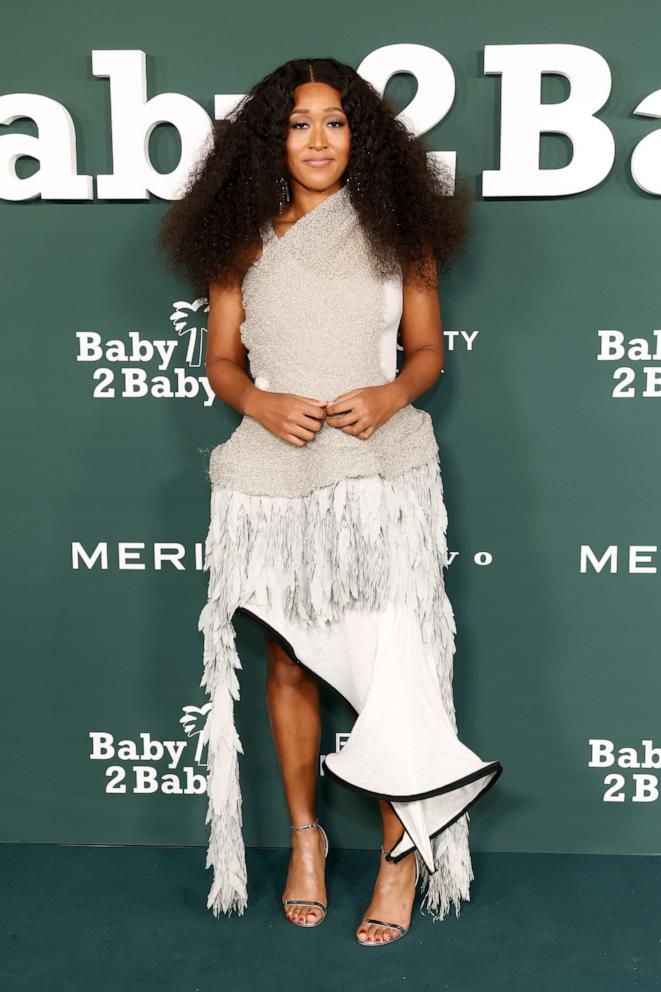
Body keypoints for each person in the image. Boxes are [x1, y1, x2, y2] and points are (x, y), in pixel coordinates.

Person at [157, 56, 503, 948]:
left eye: (336, 121)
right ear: (271, 139)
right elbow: (223, 365)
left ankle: (400, 848)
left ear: (363, 137)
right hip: (272, 475)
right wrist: (260, 402)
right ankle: (305, 841)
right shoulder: (240, 236)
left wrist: (388, 395)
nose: (317, 139)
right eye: (298, 123)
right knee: (287, 660)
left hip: (382, 470)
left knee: (397, 663)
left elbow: (424, 353)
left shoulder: (399, 235)